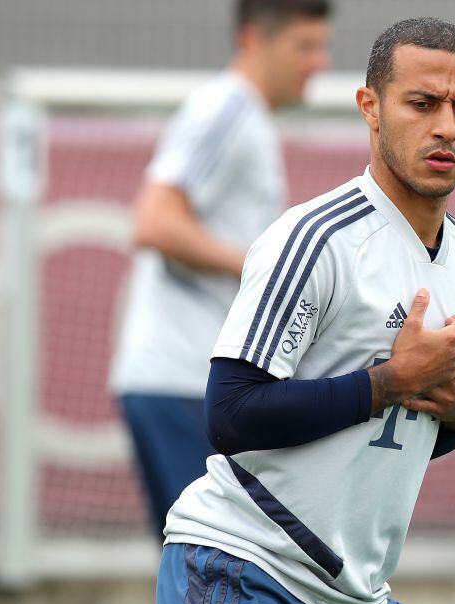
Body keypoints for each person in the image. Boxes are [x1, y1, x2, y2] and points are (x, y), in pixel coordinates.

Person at [156, 17, 455, 604]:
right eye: (422, 104)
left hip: (356, 600)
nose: (446, 127)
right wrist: (390, 380)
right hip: (248, 566)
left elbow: (405, 436)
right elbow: (229, 416)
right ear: (370, 106)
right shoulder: (315, 240)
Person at [110, 0, 332, 535]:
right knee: (215, 571)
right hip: (181, 379)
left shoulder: (247, 117)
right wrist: (266, 270)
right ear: (254, 40)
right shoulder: (227, 109)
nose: (318, 62)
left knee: (206, 574)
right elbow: (155, 222)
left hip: (190, 385)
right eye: (304, 46)